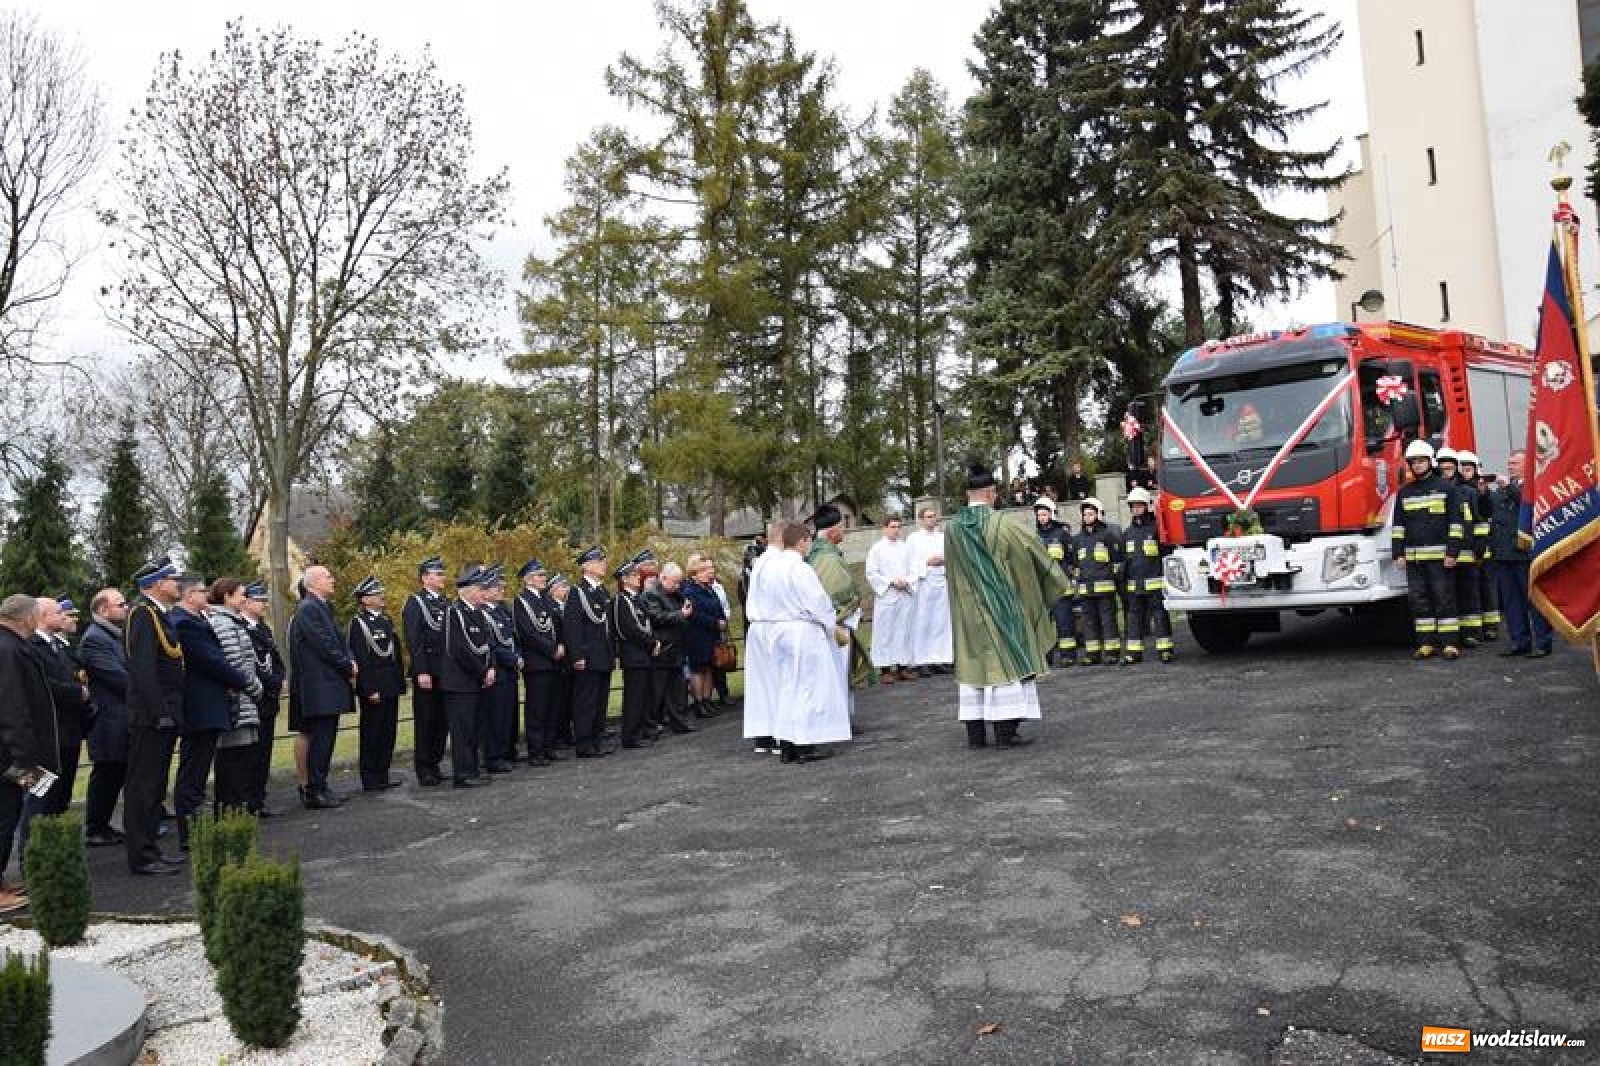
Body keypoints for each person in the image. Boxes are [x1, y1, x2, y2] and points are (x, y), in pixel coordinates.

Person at [944, 461, 1071, 748]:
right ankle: (1004, 733)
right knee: (1006, 666)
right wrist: (1056, 582)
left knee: (973, 666)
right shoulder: (1004, 524)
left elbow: (952, 572)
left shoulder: (951, 529)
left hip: (966, 612)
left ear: (968, 494)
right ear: (990, 494)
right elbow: (1034, 557)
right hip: (1001, 608)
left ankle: (975, 736)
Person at [743, 520, 851, 763]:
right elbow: (817, 602)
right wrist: (831, 624)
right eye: (808, 542)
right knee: (807, 687)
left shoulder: (771, 567)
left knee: (786, 688)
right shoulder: (799, 568)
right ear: (802, 542)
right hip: (802, 631)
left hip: (778, 629)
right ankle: (804, 743)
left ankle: (788, 743)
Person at [170, 575, 252, 845]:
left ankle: (195, 827)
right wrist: (242, 681)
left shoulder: (195, 621)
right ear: (190, 595)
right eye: (202, 591)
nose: (207, 595)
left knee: (198, 769)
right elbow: (211, 660)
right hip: (199, 706)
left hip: (207, 704)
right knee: (193, 771)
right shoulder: (184, 623)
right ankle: (191, 832)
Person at [122, 555, 187, 876]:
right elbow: (142, 669)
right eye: (173, 579)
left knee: (156, 786)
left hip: (165, 714)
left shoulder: (160, 615)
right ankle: (142, 855)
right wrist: (159, 711)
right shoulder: (142, 614)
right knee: (143, 787)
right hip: (151, 717)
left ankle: (152, 849)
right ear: (157, 584)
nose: (179, 585)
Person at [0, 595, 59, 908]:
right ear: (27, 618)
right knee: (5, 817)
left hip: (13, 751)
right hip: (11, 755)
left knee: (8, 816)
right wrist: (25, 760)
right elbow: (12, 708)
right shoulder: (8, 650)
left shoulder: (12, 646)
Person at [290, 565, 356, 806]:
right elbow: (324, 644)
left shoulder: (323, 607)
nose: (333, 579)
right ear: (313, 583)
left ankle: (322, 787)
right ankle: (315, 791)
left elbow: (338, 638)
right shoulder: (308, 609)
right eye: (328, 576)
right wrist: (346, 666)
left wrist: (350, 660)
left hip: (329, 685)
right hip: (320, 687)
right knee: (320, 740)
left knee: (326, 740)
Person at [1392, 440, 1463, 660]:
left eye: (1422, 461)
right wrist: (1398, 553)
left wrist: (1452, 552)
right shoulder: (1404, 493)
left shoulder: (1446, 488)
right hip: (1414, 560)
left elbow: (1456, 523)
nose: (1418, 465)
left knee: (1444, 599)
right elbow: (1398, 526)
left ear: (1430, 462)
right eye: (1414, 462)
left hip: (1441, 558)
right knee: (1419, 602)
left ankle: (1450, 644)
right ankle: (1426, 644)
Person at [1486, 449, 1554, 658]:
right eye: (1509, 462)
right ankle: (1519, 641)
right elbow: (1486, 512)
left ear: (1527, 465)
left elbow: (1528, 505)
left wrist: (1509, 487)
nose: (1509, 466)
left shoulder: (1534, 486)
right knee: (1511, 602)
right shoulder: (1501, 491)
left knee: (1533, 600)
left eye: (1514, 463)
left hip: (1525, 554)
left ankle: (1543, 642)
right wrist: (1482, 493)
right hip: (1503, 554)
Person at [205, 579, 264, 814]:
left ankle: (235, 810)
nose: (245, 599)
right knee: (231, 763)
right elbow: (235, 664)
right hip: (237, 702)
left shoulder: (232, 622)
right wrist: (255, 688)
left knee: (240, 761)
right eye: (241, 594)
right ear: (227, 597)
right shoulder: (224, 624)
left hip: (242, 701)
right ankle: (230, 813)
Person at [80, 589, 132, 845]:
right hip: (109, 721)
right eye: (120, 604)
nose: (126, 607)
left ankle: (103, 825)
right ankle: (95, 826)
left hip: (121, 718)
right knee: (106, 774)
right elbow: (117, 677)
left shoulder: (114, 635)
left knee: (115, 774)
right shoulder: (95, 639)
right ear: (103, 610)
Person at [806, 504, 868, 703]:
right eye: (842, 527)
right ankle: (839, 722)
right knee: (838, 674)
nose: (844, 530)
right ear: (832, 531)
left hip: (834, 624)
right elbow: (837, 594)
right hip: (836, 626)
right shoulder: (827, 558)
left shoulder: (822, 553)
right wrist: (853, 604)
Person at [349, 576, 406, 791]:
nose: (381, 596)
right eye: (375, 594)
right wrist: (369, 688)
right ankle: (370, 777)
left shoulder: (386, 620)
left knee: (388, 731)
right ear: (364, 600)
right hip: (374, 685)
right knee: (372, 731)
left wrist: (399, 682)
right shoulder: (359, 623)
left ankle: (383, 773)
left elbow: (395, 655)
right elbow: (362, 658)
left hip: (389, 682)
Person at [440, 565, 495, 784]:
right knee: (462, 730)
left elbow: (487, 643)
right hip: (459, 682)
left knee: (474, 728)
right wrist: (482, 671)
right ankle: (463, 774)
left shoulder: (478, 613)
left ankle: (472, 769)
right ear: (470, 590)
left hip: (476, 680)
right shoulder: (455, 613)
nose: (484, 593)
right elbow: (459, 649)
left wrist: (490, 667)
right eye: (481, 589)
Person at [402, 557, 450, 787]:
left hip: (446, 671)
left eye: (443, 573)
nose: (443, 577)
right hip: (428, 670)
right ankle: (424, 767)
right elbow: (415, 640)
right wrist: (421, 670)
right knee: (426, 720)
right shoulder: (415, 603)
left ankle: (436, 762)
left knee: (442, 721)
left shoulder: (445, 602)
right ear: (425, 578)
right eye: (438, 574)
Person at [563, 547, 615, 758]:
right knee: (586, 701)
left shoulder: (602, 591)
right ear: (586, 566)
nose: (603, 564)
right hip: (588, 656)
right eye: (599, 560)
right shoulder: (577, 592)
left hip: (603, 655)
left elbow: (607, 627)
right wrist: (577, 656)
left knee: (601, 700)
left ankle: (596, 739)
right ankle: (584, 744)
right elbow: (572, 627)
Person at [514, 559, 566, 766]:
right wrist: (552, 649)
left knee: (552, 707)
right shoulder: (522, 601)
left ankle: (548, 746)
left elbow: (556, 626)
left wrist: (560, 645)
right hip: (537, 662)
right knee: (537, 708)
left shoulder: (544, 599)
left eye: (544, 575)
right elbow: (528, 633)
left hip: (553, 661)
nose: (544, 579)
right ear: (528, 579)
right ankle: (536, 751)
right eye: (540, 576)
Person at [239, 582, 285, 815]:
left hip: (269, 699)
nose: (264, 604)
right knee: (252, 753)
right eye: (259, 600)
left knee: (264, 751)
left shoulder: (263, 628)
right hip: (255, 698)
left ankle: (258, 798)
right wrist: (273, 682)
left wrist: (280, 678)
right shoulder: (243, 629)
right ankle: (249, 800)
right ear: (246, 602)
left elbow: (274, 658)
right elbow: (252, 666)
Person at [641, 561, 696, 736]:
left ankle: (679, 722)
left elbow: (684, 603)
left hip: (676, 648)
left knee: (678, 689)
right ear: (663, 577)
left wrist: (686, 605)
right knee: (656, 692)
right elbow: (656, 617)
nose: (677, 585)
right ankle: (649, 726)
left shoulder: (674, 593)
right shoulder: (651, 594)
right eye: (674, 582)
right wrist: (681, 614)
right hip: (662, 649)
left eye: (679, 582)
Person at [1435, 448, 1483, 648]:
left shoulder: (1469, 492)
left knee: (1468, 592)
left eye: (1450, 467)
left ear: (1456, 467)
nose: (1447, 471)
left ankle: (1471, 633)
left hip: (1466, 550)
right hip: (1443, 552)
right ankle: (1451, 635)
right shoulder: (1435, 491)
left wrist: (1479, 548)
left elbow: (1478, 521)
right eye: (1443, 467)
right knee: (1446, 595)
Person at [1121, 487, 1174, 663]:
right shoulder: (1127, 533)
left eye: (1139, 506)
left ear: (1147, 506)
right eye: (1133, 506)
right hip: (1134, 585)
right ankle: (1134, 652)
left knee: (1159, 615)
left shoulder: (1156, 529)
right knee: (1134, 617)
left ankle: (1165, 650)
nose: (1135, 509)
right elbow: (1124, 561)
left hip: (1155, 584)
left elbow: (1167, 554)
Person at [611, 559, 658, 749]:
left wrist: (653, 641)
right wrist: (651, 642)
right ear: (624, 579)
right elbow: (628, 629)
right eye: (634, 576)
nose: (638, 578)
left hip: (644, 653)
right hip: (633, 654)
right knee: (634, 697)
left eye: (638, 575)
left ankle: (640, 731)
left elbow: (647, 622)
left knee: (644, 696)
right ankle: (630, 736)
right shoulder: (621, 600)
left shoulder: (637, 599)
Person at [866, 516, 919, 683]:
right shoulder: (877, 549)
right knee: (885, 633)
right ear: (885, 528)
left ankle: (903, 667)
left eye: (898, 527)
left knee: (903, 632)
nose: (896, 530)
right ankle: (885, 670)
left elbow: (915, 569)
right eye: (892, 526)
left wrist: (907, 581)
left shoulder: (906, 548)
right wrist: (890, 582)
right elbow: (872, 572)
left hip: (904, 594)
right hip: (887, 596)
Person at [1072, 498, 1123, 665]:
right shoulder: (1077, 539)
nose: (1087, 517)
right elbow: (1075, 564)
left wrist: (1111, 579)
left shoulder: (1108, 536)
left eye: (1090, 514)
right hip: (1086, 590)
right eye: (1085, 514)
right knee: (1089, 622)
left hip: (1105, 589)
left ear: (1098, 515)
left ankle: (1112, 652)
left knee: (1108, 621)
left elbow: (1117, 561)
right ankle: (1092, 654)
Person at [1456, 450, 1500, 642]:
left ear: (1476, 470)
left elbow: (1484, 519)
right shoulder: (1459, 491)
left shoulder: (1482, 492)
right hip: (1470, 549)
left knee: (1487, 587)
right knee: (1472, 590)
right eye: (1463, 469)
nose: (1465, 473)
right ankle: (1476, 627)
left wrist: (1481, 548)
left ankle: (1491, 626)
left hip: (1484, 548)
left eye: (1469, 469)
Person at [479, 567, 519, 773]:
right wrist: (512, 658)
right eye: (495, 588)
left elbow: (512, 638)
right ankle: (493, 757)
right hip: (498, 670)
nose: (500, 590)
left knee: (507, 716)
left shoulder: (502, 611)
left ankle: (505, 752)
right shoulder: (483, 614)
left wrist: (518, 656)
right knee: (495, 717)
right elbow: (492, 644)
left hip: (509, 670)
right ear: (484, 592)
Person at [906, 507, 953, 675]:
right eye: (928, 516)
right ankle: (923, 660)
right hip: (924, 583)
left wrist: (943, 560)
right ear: (921, 519)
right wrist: (926, 563)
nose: (932, 519)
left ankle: (941, 658)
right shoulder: (914, 539)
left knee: (941, 622)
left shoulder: (942, 537)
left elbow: (952, 555)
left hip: (941, 582)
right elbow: (909, 562)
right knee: (924, 622)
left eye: (934, 516)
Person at [1033, 497, 1078, 667]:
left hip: (1060, 588)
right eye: (1039, 515)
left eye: (1044, 514)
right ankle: (1046, 656)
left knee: (1064, 622)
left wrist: (1072, 578)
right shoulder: (1034, 536)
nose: (1041, 518)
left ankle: (1068, 656)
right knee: (1043, 625)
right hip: (1042, 588)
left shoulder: (1062, 535)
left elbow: (1072, 559)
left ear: (1051, 514)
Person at [682, 554, 727, 719]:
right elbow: (694, 615)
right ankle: (699, 703)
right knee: (698, 670)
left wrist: (721, 619)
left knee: (709, 668)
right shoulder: (689, 591)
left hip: (711, 636)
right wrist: (715, 623)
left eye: (708, 570)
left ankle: (707, 701)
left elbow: (718, 606)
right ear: (694, 574)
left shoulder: (709, 589)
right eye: (703, 571)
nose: (708, 573)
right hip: (697, 635)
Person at [546, 574, 576, 748]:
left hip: (569, 658)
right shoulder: (551, 607)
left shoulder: (566, 606)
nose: (566, 589)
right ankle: (559, 734)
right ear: (553, 590)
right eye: (562, 586)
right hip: (559, 658)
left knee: (568, 698)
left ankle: (565, 732)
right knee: (559, 700)